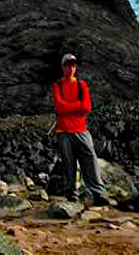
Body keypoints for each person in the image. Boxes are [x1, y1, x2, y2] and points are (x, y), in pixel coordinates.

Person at [52, 53, 111, 206]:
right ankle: (72, 195)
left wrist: (69, 107)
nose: (71, 68)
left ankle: (99, 194)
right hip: (64, 131)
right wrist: (76, 106)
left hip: (80, 129)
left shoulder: (81, 85)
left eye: (73, 65)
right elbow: (59, 107)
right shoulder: (57, 85)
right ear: (63, 66)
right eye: (67, 65)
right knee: (68, 163)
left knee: (90, 160)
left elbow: (86, 107)